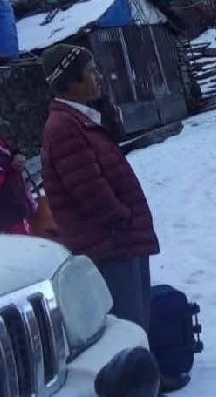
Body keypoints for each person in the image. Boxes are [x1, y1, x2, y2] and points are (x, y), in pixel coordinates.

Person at [40, 44, 189, 392]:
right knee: (125, 323)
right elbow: (88, 189)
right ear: (70, 82)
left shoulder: (80, 118)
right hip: (109, 243)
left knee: (138, 317)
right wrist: (121, 218)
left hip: (120, 237)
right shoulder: (63, 127)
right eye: (91, 71)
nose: (99, 76)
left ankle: (149, 379)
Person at [0, 131, 35, 235]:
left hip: (16, 209)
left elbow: (8, 150)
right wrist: (10, 163)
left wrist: (16, 155)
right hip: (7, 216)